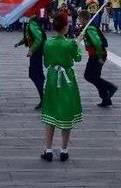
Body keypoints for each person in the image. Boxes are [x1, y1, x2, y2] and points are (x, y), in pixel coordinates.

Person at [40, 12, 83, 162]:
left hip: (52, 78)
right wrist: (77, 44)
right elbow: (78, 58)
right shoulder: (69, 43)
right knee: (66, 113)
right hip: (67, 80)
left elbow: (46, 63)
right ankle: (64, 150)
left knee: (51, 113)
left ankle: (48, 149)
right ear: (66, 27)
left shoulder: (48, 43)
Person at [80, 12, 117, 107]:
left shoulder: (90, 28)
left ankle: (111, 87)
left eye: (80, 19)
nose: (79, 21)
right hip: (95, 54)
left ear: (83, 19)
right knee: (95, 76)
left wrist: (100, 57)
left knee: (89, 76)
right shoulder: (88, 27)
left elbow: (97, 43)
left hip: (97, 55)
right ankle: (106, 99)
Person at [14, 16, 46, 110]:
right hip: (37, 52)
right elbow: (28, 37)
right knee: (38, 74)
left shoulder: (32, 24)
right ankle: (44, 96)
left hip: (37, 52)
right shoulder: (30, 23)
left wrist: (31, 50)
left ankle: (44, 97)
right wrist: (19, 43)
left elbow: (39, 38)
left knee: (34, 74)